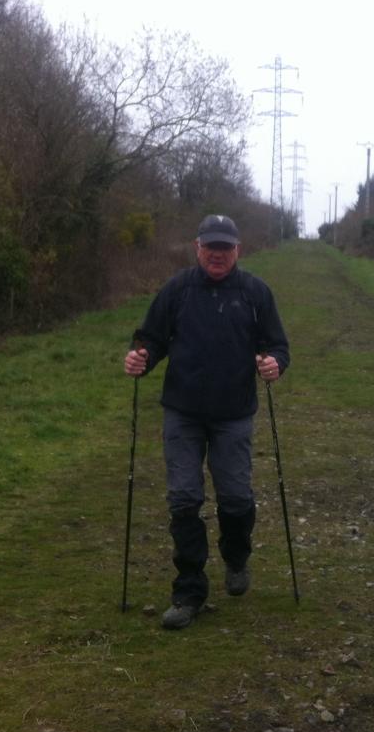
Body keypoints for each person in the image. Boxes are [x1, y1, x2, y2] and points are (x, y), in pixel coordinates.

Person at [123, 214, 290, 630]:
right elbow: (151, 339)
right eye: (210, 247)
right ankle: (188, 591)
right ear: (197, 248)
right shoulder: (177, 290)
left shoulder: (255, 293)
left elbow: (277, 345)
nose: (217, 254)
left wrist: (273, 363)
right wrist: (139, 358)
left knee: (235, 497)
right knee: (184, 498)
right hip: (183, 411)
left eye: (225, 247)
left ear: (238, 250)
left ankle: (236, 557)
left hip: (234, 413)